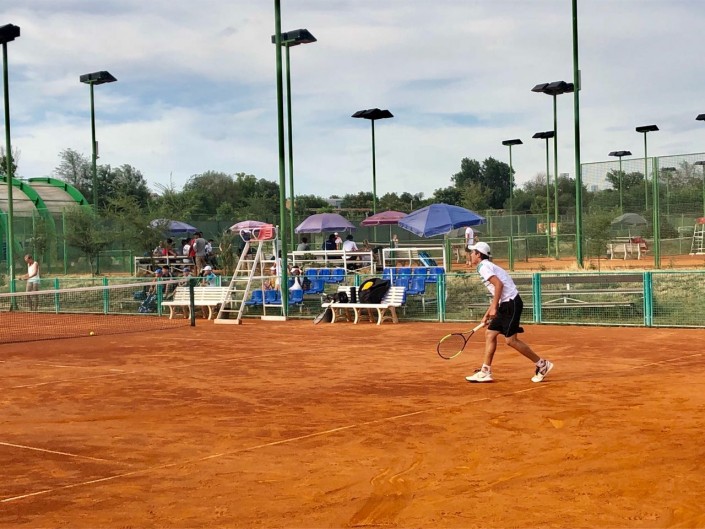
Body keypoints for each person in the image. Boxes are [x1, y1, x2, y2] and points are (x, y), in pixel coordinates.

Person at [465, 242, 553, 384]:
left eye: (472, 252)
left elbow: (499, 285)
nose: (470, 255)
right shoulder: (487, 266)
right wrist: (488, 313)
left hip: (511, 304)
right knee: (490, 333)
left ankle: (542, 364)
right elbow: (497, 291)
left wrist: (494, 308)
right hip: (506, 303)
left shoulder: (483, 267)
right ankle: (485, 371)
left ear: (478, 254)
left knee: (511, 340)